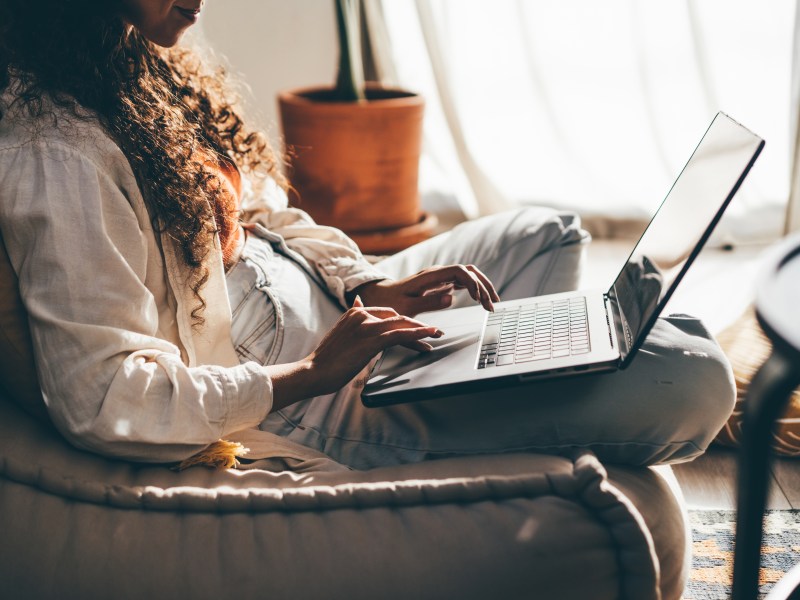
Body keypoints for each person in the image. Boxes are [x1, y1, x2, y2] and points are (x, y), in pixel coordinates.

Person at [0, 0, 735, 470]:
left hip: (336, 311)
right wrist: (315, 373)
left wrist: (365, 284)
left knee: (551, 234)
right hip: (306, 388)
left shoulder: (133, 61)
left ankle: (514, 369)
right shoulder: (56, 151)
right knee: (700, 372)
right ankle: (497, 390)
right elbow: (100, 396)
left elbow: (266, 216)